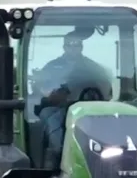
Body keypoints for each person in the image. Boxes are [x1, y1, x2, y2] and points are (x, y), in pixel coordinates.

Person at [34, 30, 113, 167]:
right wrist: (52, 94)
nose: (73, 48)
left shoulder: (93, 68)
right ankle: (52, 162)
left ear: (81, 47)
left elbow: (106, 89)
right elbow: (41, 88)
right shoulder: (52, 66)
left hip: (88, 109)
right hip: (57, 107)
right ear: (64, 47)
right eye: (69, 45)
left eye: (76, 45)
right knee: (49, 119)